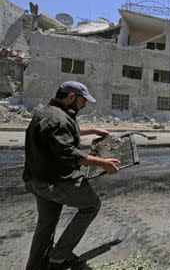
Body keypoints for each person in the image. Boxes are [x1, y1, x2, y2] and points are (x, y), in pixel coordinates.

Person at [23, 81, 121, 269]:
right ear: (71, 97)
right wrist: (103, 163)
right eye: (83, 101)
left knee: (46, 224)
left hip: (36, 180)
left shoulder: (46, 112)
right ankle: (59, 257)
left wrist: (93, 130)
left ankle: (34, 267)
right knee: (92, 205)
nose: (84, 105)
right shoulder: (58, 119)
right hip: (55, 181)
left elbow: (63, 131)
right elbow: (68, 153)